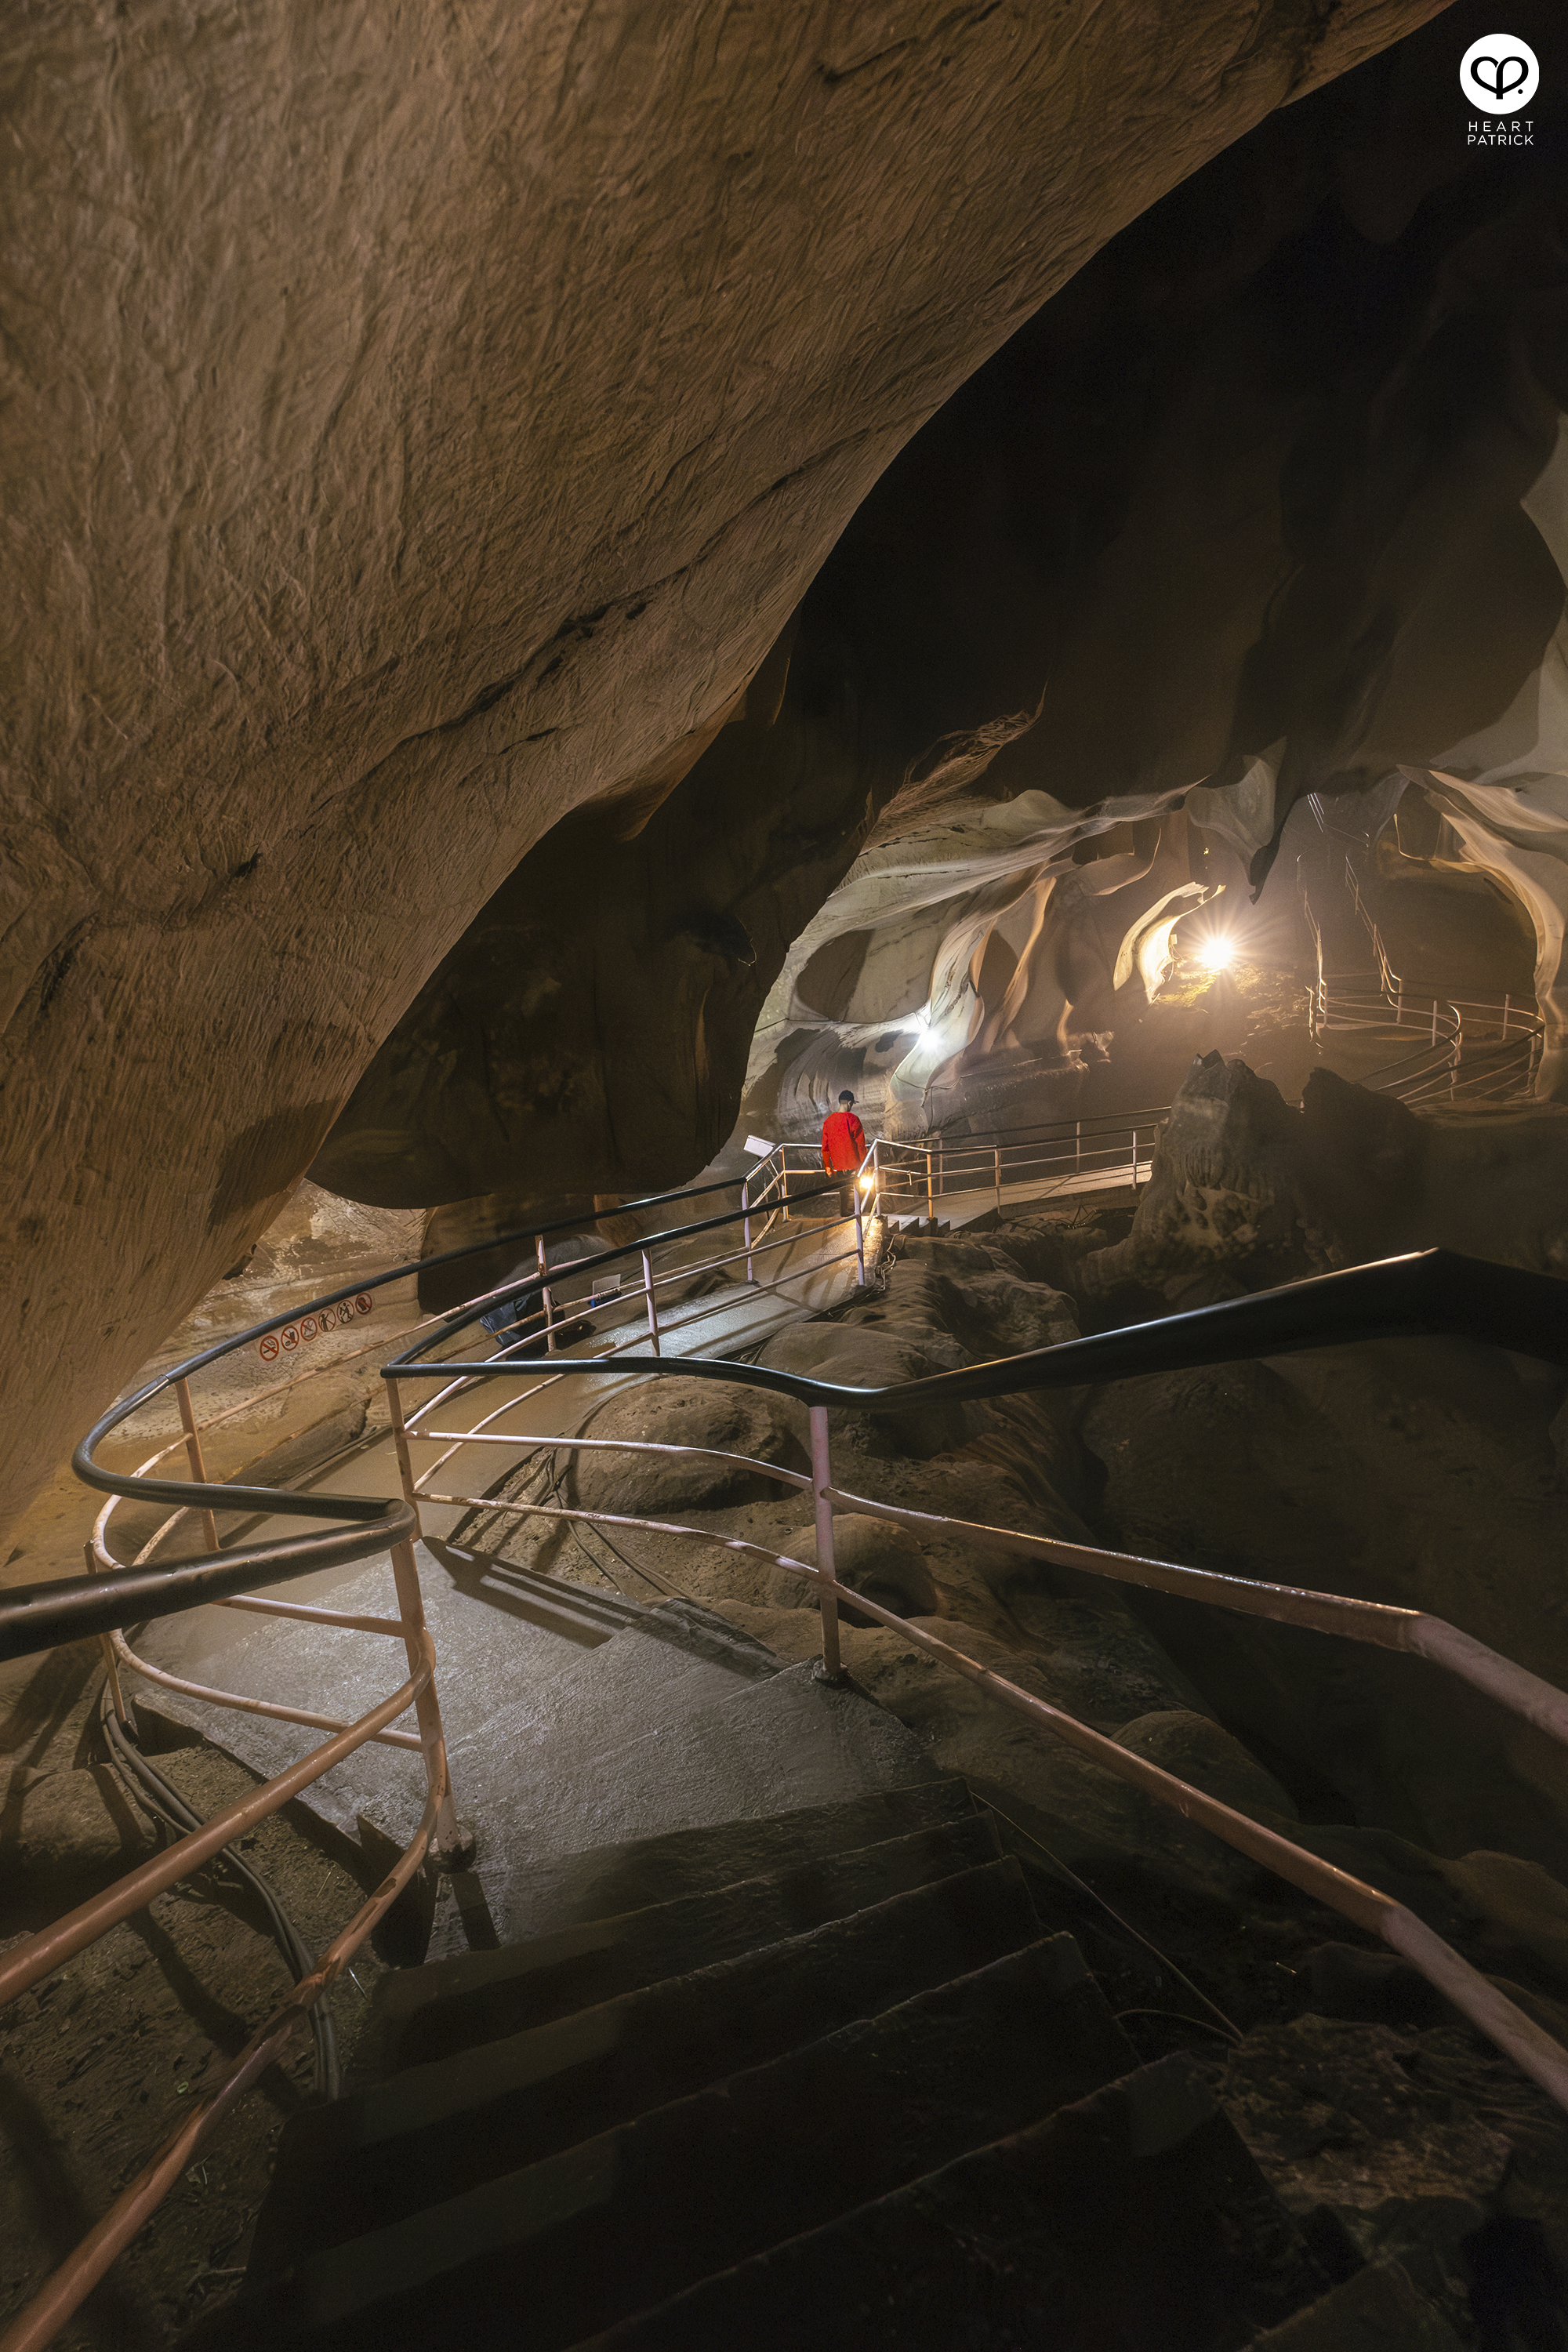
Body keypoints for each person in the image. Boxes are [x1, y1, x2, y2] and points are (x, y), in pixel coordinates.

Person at [820, 1089, 867, 1218]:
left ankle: (846, 1218)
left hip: (838, 1167)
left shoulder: (828, 1121)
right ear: (850, 1102)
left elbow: (825, 1147)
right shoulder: (853, 1119)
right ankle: (851, 1222)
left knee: (844, 1194)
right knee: (854, 1196)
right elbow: (861, 1145)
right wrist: (864, 1164)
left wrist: (827, 1166)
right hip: (854, 1166)